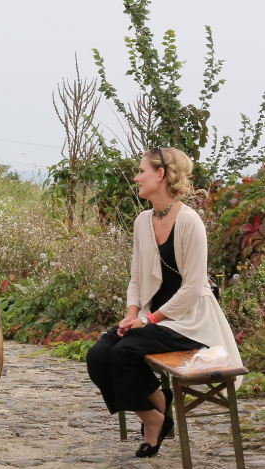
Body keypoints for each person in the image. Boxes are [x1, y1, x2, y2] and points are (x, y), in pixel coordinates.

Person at [86, 147, 243, 458]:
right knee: (99, 354)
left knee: (125, 353)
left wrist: (149, 320)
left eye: (141, 171)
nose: (136, 177)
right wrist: (132, 315)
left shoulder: (190, 221)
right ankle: (156, 414)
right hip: (150, 319)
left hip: (189, 321)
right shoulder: (142, 221)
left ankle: (155, 422)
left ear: (160, 175)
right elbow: (136, 279)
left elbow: (193, 289)